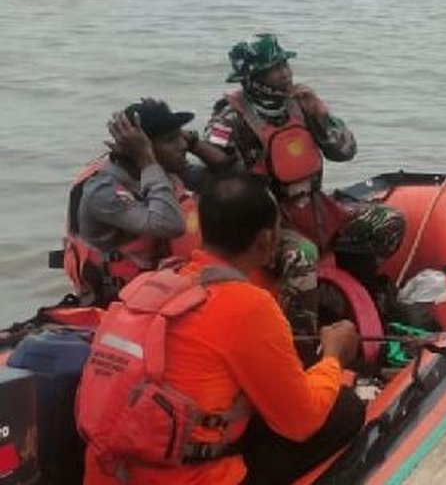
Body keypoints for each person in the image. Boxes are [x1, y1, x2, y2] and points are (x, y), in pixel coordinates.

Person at [78, 171, 365, 485]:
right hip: (195, 477)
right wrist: (334, 358)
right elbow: (300, 421)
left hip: (112, 471)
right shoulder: (249, 305)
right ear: (267, 239)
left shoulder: (150, 284)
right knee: (346, 409)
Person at [199, 34, 405, 333]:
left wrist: (320, 112)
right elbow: (215, 168)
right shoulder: (229, 119)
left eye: (284, 65)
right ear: (253, 77)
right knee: (302, 255)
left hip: (316, 209)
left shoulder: (301, 106)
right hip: (268, 221)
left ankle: (359, 292)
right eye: (274, 68)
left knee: (389, 222)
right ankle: (302, 340)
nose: (285, 73)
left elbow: (345, 151)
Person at [69, 99, 203, 303]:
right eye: (171, 139)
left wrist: (196, 145)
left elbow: (225, 179)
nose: (183, 145)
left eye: (181, 136)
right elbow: (169, 224)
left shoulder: (161, 172)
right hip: (117, 304)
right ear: (139, 149)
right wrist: (147, 160)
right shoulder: (102, 189)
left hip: (157, 293)